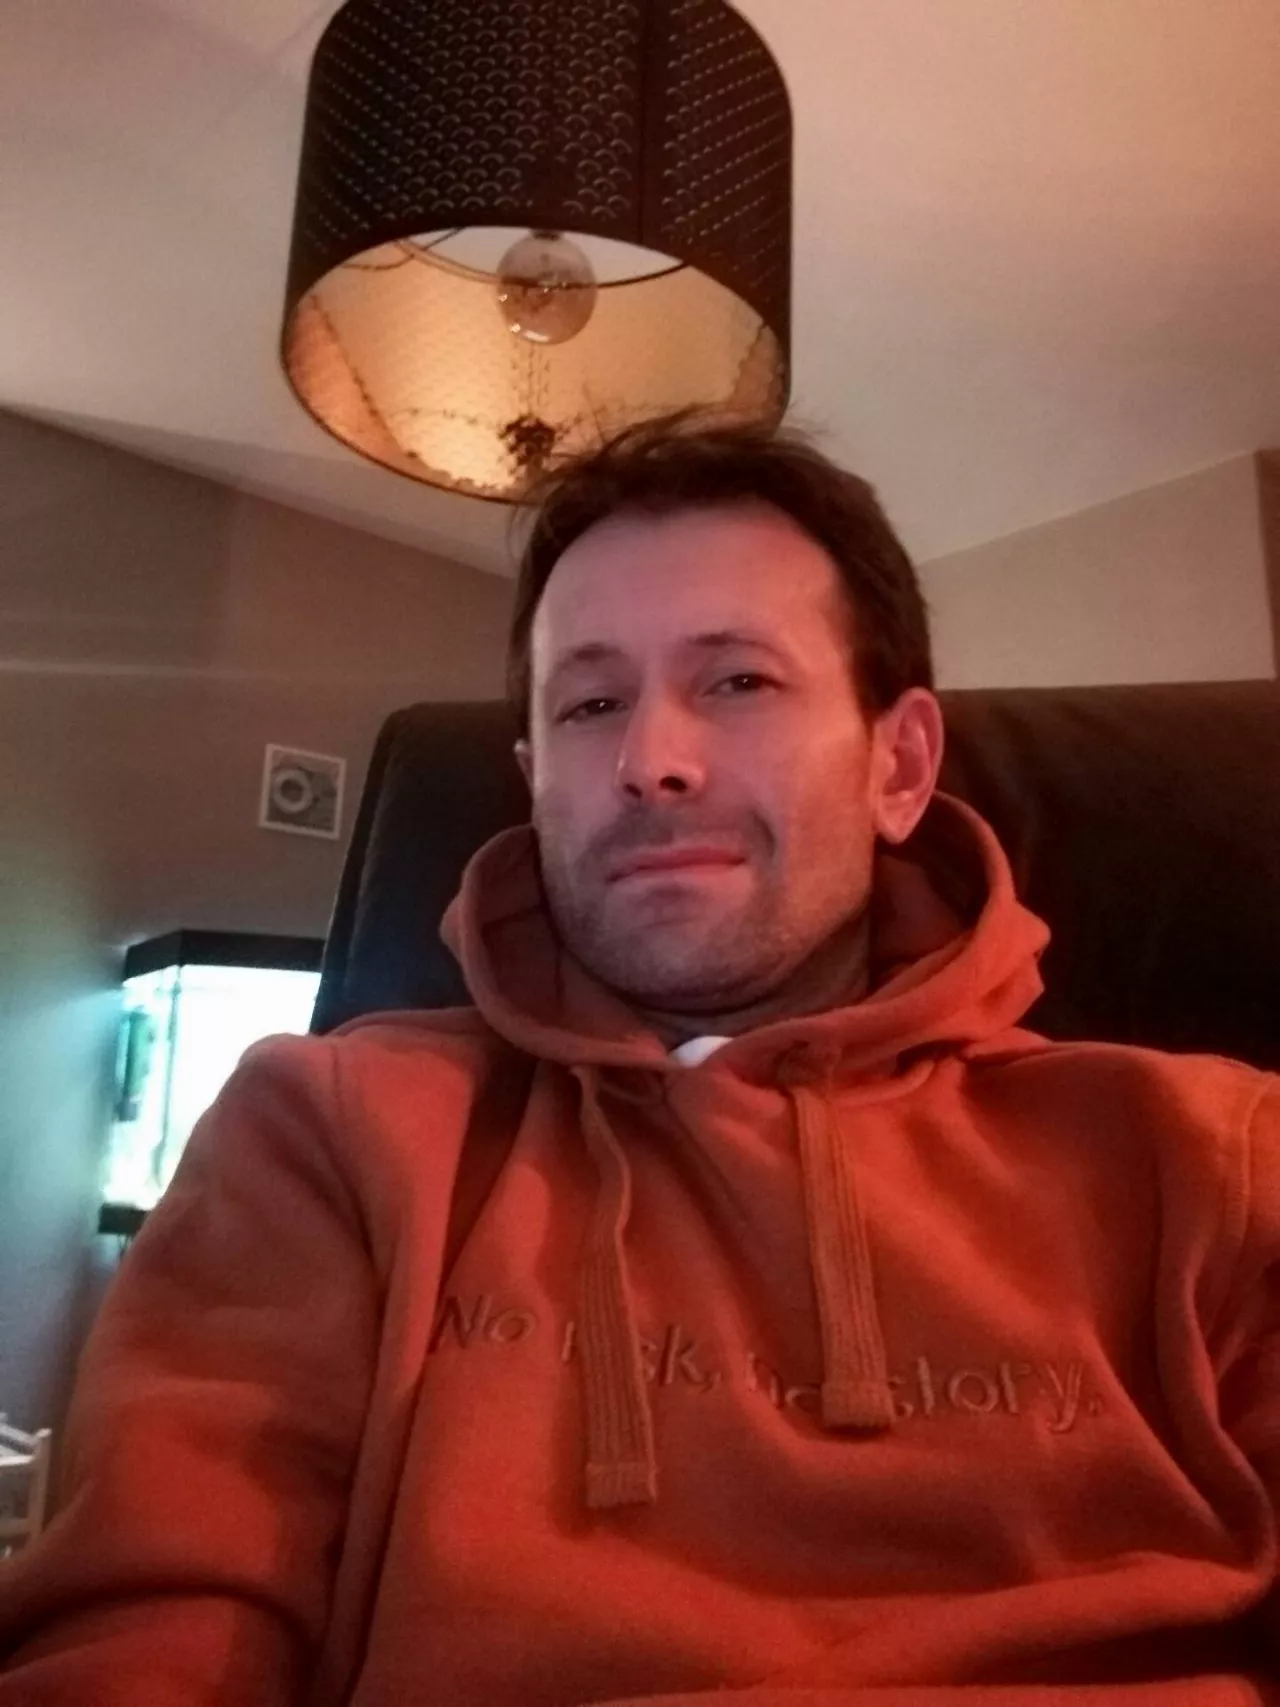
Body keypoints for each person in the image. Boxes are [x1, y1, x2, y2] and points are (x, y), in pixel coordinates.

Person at [1, 414, 1277, 1706]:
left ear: (898, 765)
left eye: (738, 682)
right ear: (533, 776)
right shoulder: (326, 1129)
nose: (651, 761)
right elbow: (154, 1634)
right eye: (593, 703)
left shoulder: (1211, 1159)